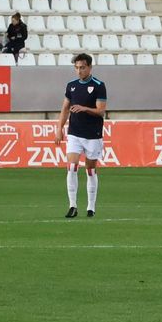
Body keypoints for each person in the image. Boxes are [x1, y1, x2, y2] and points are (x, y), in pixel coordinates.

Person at [58, 53, 107, 218]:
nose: (79, 71)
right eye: (77, 67)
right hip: (75, 133)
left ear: (89, 67)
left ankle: (91, 207)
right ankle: (72, 206)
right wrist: (59, 129)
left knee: (90, 170)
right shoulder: (71, 85)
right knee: (71, 167)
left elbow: (101, 111)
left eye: (82, 67)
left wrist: (84, 108)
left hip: (93, 135)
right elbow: (65, 108)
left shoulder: (99, 85)